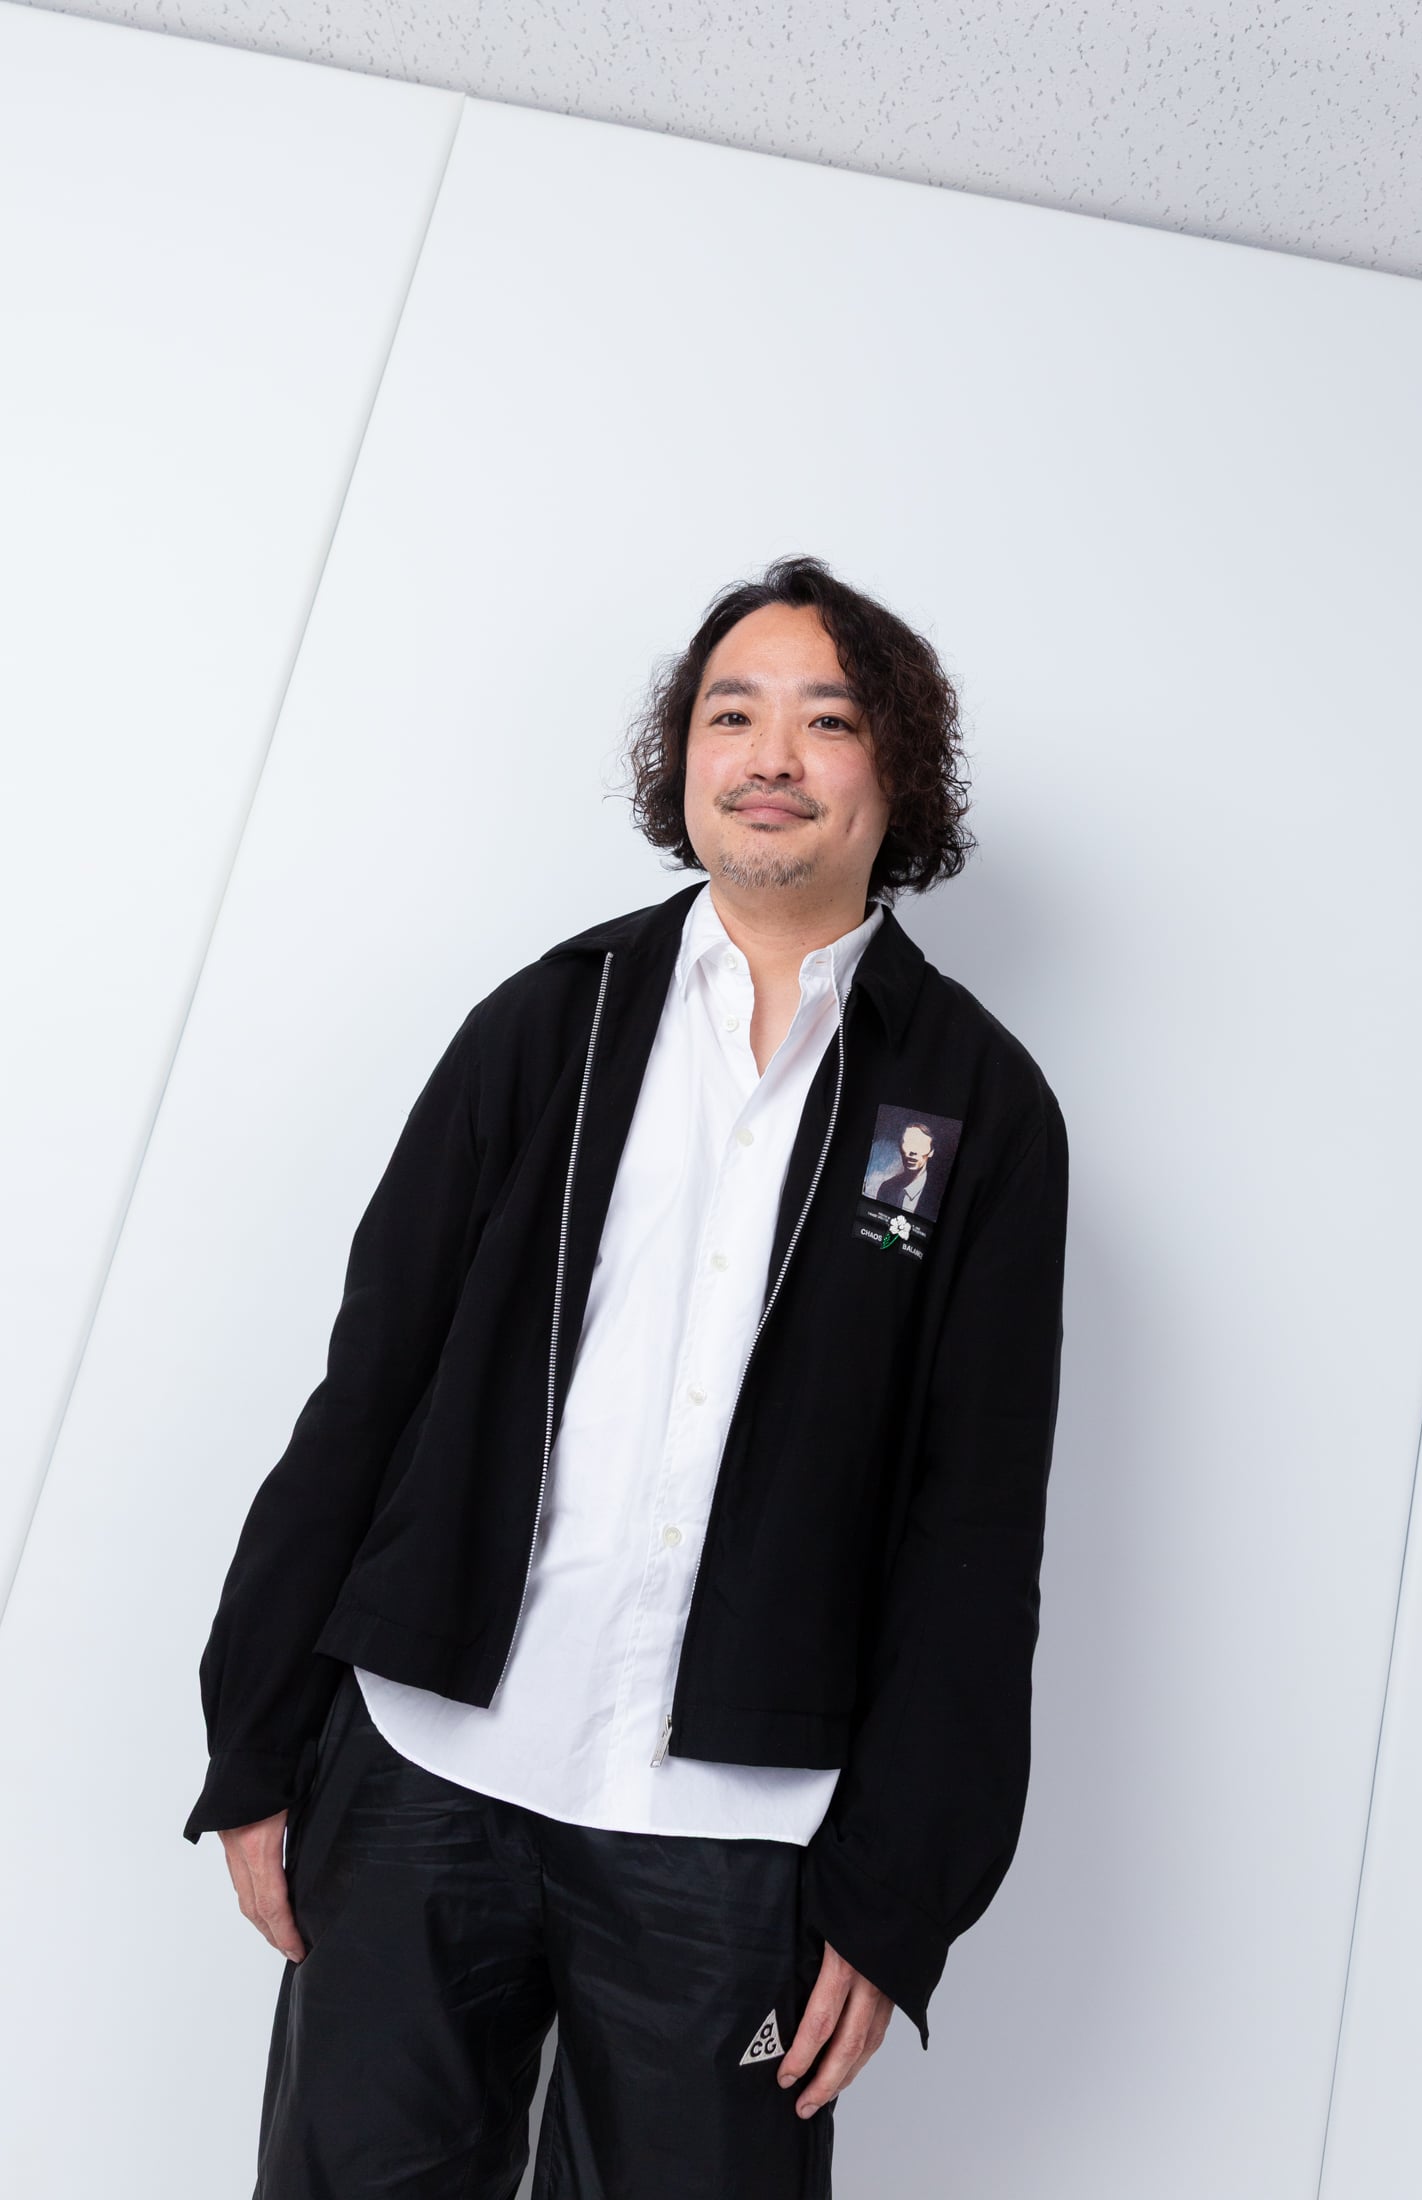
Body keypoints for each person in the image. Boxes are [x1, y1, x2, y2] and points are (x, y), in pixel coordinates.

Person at [183, 553, 1069, 2199]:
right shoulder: (550, 1024)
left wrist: (897, 1894)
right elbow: (370, 1388)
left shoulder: (975, 1105)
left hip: (736, 1835)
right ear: (684, 757)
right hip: (428, 1768)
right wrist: (257, 1735)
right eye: (732, 714)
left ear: (899, 768)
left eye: (827, 719)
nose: (771, 755)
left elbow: (975, 1524)